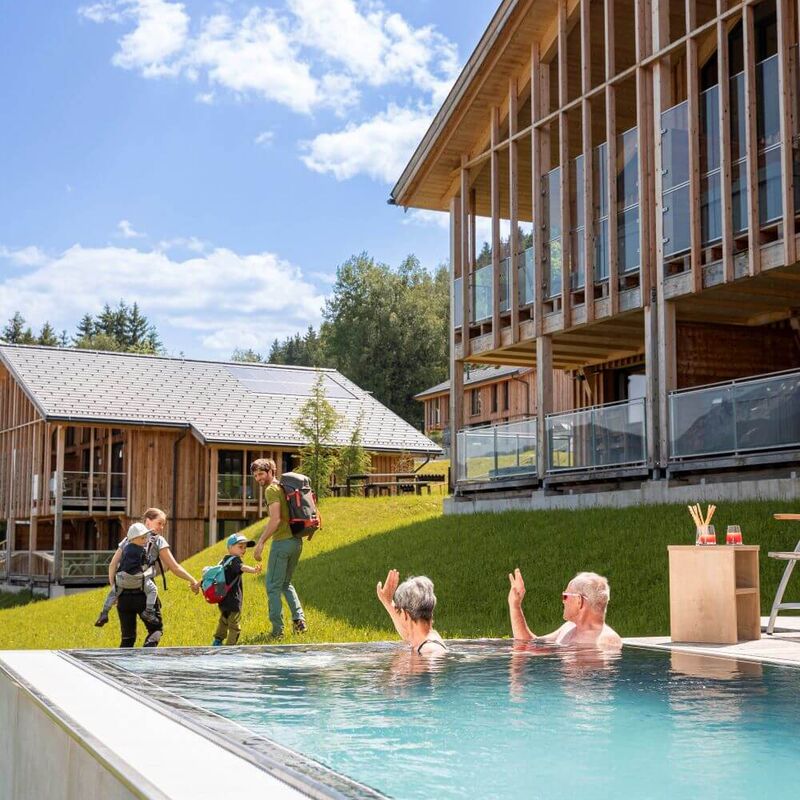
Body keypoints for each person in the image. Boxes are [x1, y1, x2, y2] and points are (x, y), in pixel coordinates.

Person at [108, 507, 201, 648]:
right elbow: (174, 567)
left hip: (124, 595)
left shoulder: (129, 539)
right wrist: (192, 580)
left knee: (127, 638)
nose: (162, 527)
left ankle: (119, 670)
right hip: (145, 594)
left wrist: (114, 590)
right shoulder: (158, 540)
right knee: (155, 630)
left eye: (163, 524)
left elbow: (113, 564)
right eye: (159, 523)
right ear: (148, 522)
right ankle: (145, 660)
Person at [251, 459, 307, 639]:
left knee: (272, 587)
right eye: (255, 475)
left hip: (282, 543)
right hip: (296, 542)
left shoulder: (272, 490)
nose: (258, 478)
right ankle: (299, 621)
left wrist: (261, 542)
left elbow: (274, 519)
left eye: (260, 474)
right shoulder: (285, 487)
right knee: (285, 583)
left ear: (270, 472)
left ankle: (277, 631)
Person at [507, 568, 622, 648]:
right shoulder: (568, 629)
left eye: (565, 596)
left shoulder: (606, 640)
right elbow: (528, 645)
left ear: (579, 601)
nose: (563, 601)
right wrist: (515, 605)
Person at [94, 522, 158, 627]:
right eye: (142, 538)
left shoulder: (126, 548)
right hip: (137, 582)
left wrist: (113, 583)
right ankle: (149, 611)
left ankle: (104, 613)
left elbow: (115, 564)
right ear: (133, 539)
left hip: (122, 581)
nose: (145, 540)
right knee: (153, 589)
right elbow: (147, 562)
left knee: (113, 594)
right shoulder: (141, 550)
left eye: (145, 537)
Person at [377, 569, 447, 655]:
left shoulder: (429, 651)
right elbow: (407, 633)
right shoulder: (424, 641)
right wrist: (387, 602)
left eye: (399, 612)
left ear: (405, 614)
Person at [212, 533, 263, 646]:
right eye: (240, 547)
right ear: (230, 547)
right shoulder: (235, 560)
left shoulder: (224, 560)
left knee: (224, 620)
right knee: (235, 627)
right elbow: (242, 567)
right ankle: (229, 649)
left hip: (222, 599)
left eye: (245, 547)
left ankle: (217, 641)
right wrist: (254, 570)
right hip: (233, 600)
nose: (243, 550)